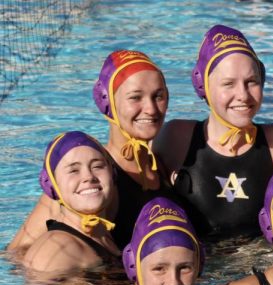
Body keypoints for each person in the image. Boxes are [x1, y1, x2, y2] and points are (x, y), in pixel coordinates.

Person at [9, 50, 170, 252]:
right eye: (135, 97)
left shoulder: (162, 160)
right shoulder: (91, 179)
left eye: (159, 96)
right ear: (106, 101)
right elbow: (17, 251)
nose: (151, 109)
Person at [155, 25, 273, 237]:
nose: (243, 95)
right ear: (203, 86)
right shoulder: (176, 138)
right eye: (228, 84)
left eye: (251, 82)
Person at [22, 132, 120, 273]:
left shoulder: (103, 235)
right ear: (51, 186)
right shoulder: (55, 250)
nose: (88, 177)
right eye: (74, 170)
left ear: (113, 174)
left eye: (97, 166)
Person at [123, 197, 204, 285]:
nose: (174, 283)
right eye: (159, 269)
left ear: (199, 265)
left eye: (184, 268)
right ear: (133, 267)